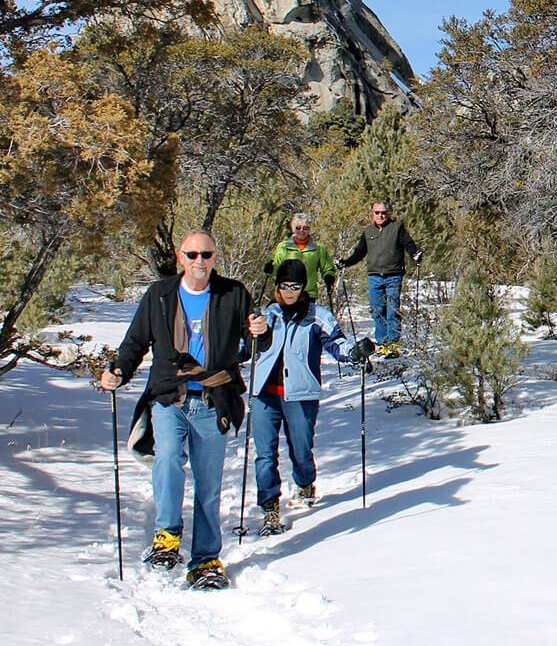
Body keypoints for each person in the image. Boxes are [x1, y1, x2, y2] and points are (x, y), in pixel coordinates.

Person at [100, 229, 267, 590]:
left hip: (213, 401)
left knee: (208, 484)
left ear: (215, 258)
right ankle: (167, 535)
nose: (199, 262)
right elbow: (135, 343)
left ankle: (206, 560)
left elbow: (254, 343)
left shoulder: (233, 294)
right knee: (168, 460)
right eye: (192, 255)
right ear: (180, 257)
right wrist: (117, 371)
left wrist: (261, 330)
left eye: (206, 255)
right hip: (168, 398)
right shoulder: (159, 295)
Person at [251, 259, 375, 534]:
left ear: (303, 287)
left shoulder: (316, 316)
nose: (290, 291)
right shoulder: (268, 315)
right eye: (285, 286)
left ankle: (305, 482)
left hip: (301, 394)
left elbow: (337, 343)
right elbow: (246, 345)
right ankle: (270, 508)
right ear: (277, 287)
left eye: (295, 286)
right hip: (264, 395)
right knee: (264, 455)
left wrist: (355, 353)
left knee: (301, 450)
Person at [339, 200, 420, 346]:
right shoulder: (368, 231)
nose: (380, 215)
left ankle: (393, 343)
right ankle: (383, 343)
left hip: (393, 276)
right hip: (374, 277)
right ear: (373, 213)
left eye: (383, 212)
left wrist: (415, 254)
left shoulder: (397, 227)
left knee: (392, 310)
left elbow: (408, 243)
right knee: (377, 310)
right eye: (377, 212)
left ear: (388, 213)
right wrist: (345, 263)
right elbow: (359, 253)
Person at [264, 212, 337, 302]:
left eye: (305, 228)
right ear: (293, 229)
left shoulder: (318, 248)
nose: (301, 231)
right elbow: (276, 266)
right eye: (298, 228)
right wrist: (270, 269)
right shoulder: (283, 246)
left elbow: (327, 268)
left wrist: (329, 277)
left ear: (310, 229)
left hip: (308, 294)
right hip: (286, 293)